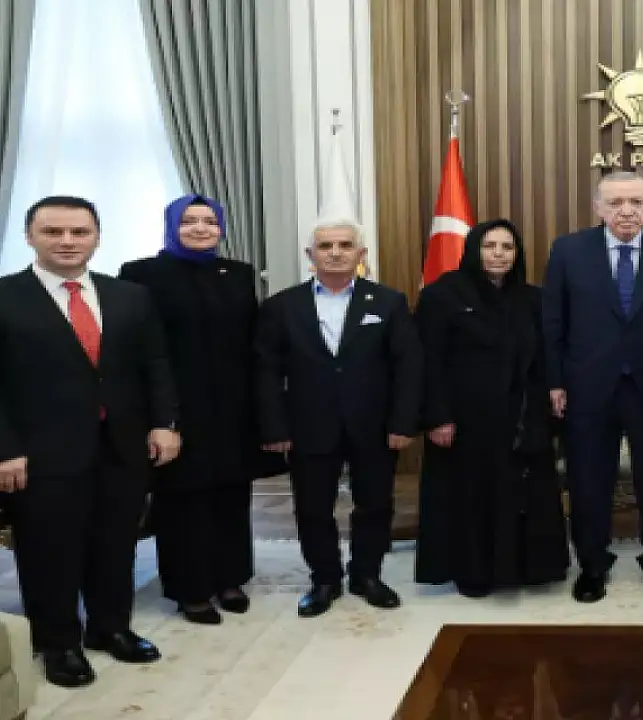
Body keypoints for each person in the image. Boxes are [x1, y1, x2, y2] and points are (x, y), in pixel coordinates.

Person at [0, 196, 180, 687]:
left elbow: (156, 364)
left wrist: (165, 423)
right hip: (40, 452)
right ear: (30, 237)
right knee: (48, 549)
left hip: (122, 445)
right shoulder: (6, 296)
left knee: (116, 543)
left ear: (97, 237)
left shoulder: (130, 296)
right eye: (53, 232)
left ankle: (110, 627)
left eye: (79, 232)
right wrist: (5, 448)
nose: (67, 241)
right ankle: (58, 643)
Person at [542, 170, 643, 604]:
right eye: (615, 203)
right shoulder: (568, 250)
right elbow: (554, 321)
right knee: (587, 481)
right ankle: (592, 566)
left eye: (636, 202)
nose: (626, 211)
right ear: (598, 208)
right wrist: (554, 381)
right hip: (587, 386)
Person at [118, 194, 277, 625]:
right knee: (182, 501)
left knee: (232, 495)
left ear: (221, 228)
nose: (200, 228)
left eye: (209, 221)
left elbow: (251, 341)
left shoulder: (238, 273)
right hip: (175, 408)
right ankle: (190, 589)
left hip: (232, 407)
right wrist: (158, 417)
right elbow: (139, 348)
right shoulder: (141, 274)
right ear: (172, 226)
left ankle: (230, 579)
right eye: (189, 221)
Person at [255, 218, 423, 617]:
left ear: (360, 254)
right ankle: (325, 579)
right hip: (308, 425)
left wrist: (403, 422)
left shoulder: (388, 302)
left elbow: (408, 366)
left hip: (374, 425)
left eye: (345, 245)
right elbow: (265, 371)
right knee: (313, 508)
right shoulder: (281, 305)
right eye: (326, 246)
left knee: (375, 505)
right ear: (310, 255)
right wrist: (274, 426)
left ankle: (367, 575)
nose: (335, 253)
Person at [414, 219, 569, 596]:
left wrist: (552, 395)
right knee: (470, 498)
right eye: (490, 246)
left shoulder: (532, 298)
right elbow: (427, 363)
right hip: (464, 423)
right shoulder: (442, 295)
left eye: (507, 247)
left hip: (522, 419)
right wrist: (437, 416)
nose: (499, 254)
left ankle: (526, 570)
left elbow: (547, 354)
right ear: (473, 250)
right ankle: (474, 573)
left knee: (523, 496)